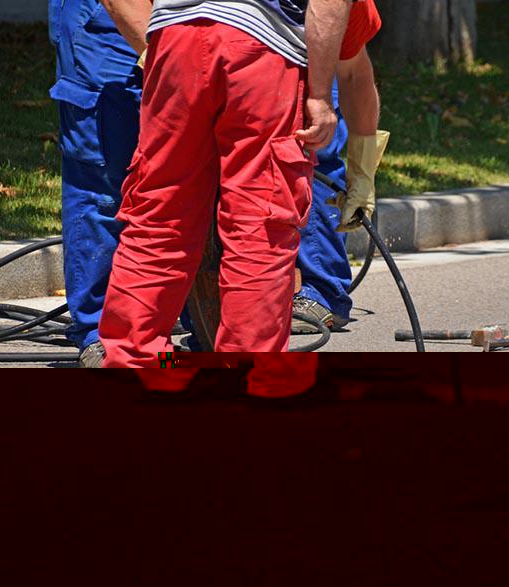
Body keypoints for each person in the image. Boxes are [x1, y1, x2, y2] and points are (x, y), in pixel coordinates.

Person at [96, 0, 354, 396]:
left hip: (173, 39)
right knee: (259, 226)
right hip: (262, 49)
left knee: (159, 215)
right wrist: (319, 96)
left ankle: (138, 363)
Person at [48, 0, 142, 366]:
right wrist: (157, 55)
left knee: (185, 177)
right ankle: (101, 332)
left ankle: (181, 331)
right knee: (102, 183)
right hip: (105, 23)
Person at [291, 0, 387, 334]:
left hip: (303, 52)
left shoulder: (341, 7)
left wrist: (362, 171)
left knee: (313, 150)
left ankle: (321, 293)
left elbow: (354, 72)